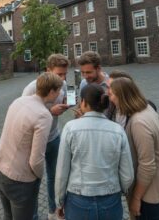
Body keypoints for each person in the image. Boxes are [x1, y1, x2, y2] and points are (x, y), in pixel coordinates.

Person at [55, 84, 134, 220]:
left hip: (78, 199)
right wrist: (117, 190)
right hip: (110, 199)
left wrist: (60, 201)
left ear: (84, 102)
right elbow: (128, 175)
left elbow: (62, 171)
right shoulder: (117, 130)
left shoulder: (70, 128)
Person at [0, 72, 63, 220]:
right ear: (51, 92)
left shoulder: (18, 101)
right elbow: (36, 159)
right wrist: (38, 177)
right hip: (18, 181)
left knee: (8, 216)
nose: (59, 94)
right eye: (58, 90)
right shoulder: (44, 115)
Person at [109, 77, 159, 220]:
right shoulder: (147, 107)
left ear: (122, 96)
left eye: (112, 93)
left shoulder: (138, 122)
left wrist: (136, 198)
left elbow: (147, 166)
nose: (110, 97)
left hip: (150, 194)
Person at [22, 53, 69, 220]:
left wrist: (67, 106)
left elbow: (62, 102)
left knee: (54, 177)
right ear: (47, 70)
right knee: (33, 181)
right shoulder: (31, 89)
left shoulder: (63, 85)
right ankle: (33, 215)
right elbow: (24, 117)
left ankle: (52, 212)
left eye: (65, 74)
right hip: (34, 142)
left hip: (54, 137)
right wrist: (50, 111)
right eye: (59, 74)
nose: (63, 79)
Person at [74, 51, 109, 118]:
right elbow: (81, 106)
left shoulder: (111, 85)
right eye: (82, 72)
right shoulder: (83, 83)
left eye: (88, 72)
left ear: (98, 68)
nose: (85, 76)